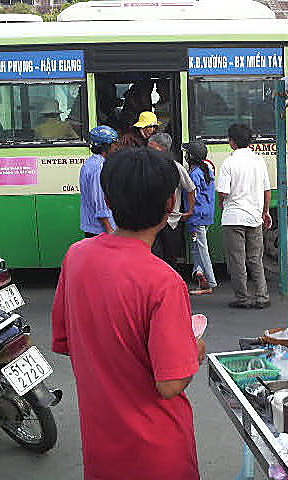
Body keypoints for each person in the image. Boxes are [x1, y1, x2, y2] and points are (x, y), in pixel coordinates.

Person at [52, 147, 205, 480]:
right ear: (170, 204)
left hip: (102, 449)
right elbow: (171, 383)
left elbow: (68, 341)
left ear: (107, 197)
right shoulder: (163, 281)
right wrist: (195, 348)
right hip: (158, 454)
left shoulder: (76, 257)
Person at [217, 123, 271, 309]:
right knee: (255, 258)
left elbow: (223, 193)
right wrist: (265, 212)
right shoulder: (259, 161)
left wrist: (221, 204)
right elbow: (267, 190)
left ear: (232, 142)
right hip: (254, 217)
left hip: (233, 218)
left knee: (237, 260)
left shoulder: (229, 163)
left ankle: (243, 298)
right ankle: (262, 297)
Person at [149, 132, 196, 271]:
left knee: (170, 258)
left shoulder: (176, 167)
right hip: (152, 220)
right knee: (154, 256)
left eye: (152, 147)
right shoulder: (146, 166)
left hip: (172, 221)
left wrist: (190, 210)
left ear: (163, 149)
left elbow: (191, 188)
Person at [184, 141, 217, 295]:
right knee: (196, 247)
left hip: (197, 216)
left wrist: (189, 212)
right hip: (206, 215)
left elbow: (193, 195)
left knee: (202, 249)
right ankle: (199, 272)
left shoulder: (194, 174)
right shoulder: (207, 171)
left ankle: (210, 283)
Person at [80, 126, 119, 238]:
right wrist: (109, 229)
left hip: (95, 228)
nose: (116, 147)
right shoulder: (99, 167)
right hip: (101, 230)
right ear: (105, 146)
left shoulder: (90, 163)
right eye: (114, 144)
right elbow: (100, 200)